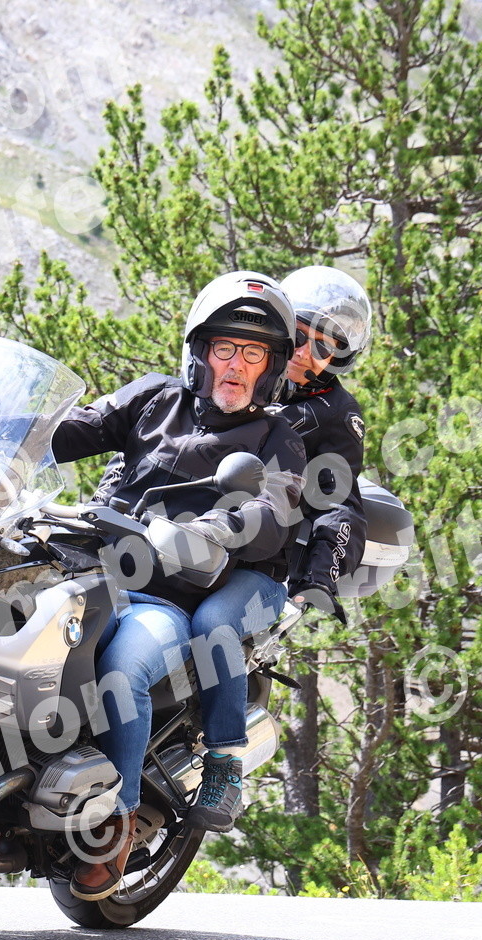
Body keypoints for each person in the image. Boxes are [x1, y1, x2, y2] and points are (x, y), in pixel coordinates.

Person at [49, 271, 306, 901]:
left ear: (271, 368)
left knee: (124, 669)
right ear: (200, 352)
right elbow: (70, 430)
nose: (236, 365)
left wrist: (214, 529)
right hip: (90, 570)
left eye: (253, 354)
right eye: (225, 348)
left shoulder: (277, 438)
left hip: (168, 596)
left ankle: (116, 820)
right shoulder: (154, 400)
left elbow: (274, 513)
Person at [184, 266, 373, 832]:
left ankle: (224, 768)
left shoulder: (335, 415)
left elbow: (339, 504)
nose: (310, 355)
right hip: (172, 535)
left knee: (215, 624)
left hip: (255, 557)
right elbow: (146, 440)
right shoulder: (224, 370)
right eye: (304, 336)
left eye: (327, 348)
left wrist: (317, 578)